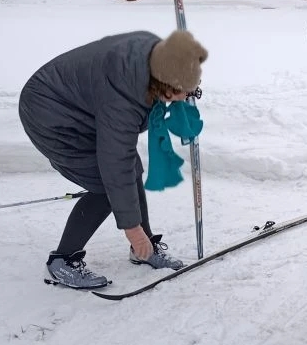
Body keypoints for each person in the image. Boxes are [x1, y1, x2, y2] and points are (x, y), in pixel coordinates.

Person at [19, 29, 208, 289]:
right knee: (105, 185)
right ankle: (62, 261)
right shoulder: (124, 99)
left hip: (78, 104)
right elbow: (115, 166)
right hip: (50, 115)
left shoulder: (158, 57)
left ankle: (143, 249)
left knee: (131, 169)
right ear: (165, 86)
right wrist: (132, 229)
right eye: (185, 91)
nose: (189, 96)